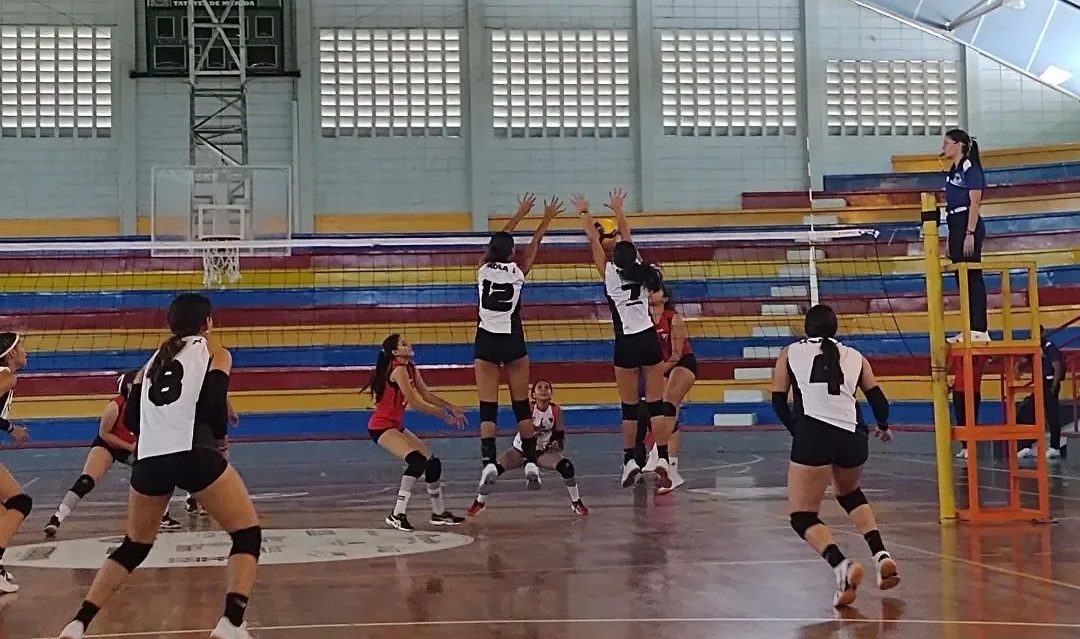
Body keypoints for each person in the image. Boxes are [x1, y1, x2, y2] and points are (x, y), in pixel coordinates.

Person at [59, 293, 261, 639]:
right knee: (246, 534)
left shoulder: (150, 362)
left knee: (134, 546)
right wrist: (221, 443)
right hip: (194, 452)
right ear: (207, 322)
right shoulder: (215, 351)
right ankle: (230, 622)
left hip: (150, 459)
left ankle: (78, 623)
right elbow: (213, 404)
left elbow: (134, 417)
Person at [771, 305, 900, 607]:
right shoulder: (856, 356)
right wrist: (883, 426)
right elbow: (878, 400)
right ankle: (881, 555)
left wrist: (798, 431)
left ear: (806, 328)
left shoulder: (789, 353)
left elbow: (778, 401)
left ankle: (842, 566)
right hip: (854, 435)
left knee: (802, 516)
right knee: (849, 493)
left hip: (814, 432)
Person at [575, 189, 677, 490]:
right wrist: (619, 210)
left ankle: (629, 460)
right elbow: (628, 238)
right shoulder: (645, 273)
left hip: (625, 343)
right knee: (656, 406)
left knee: (629, 408)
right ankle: (661, 456)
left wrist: (584, 212)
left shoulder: (609, 274)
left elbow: (594, 240)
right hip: (648, 340)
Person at [475, 194, 563, 492]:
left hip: (486, 340)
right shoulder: (517, 272)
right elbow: (532, 247)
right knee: (521, 409)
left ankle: (488, 461)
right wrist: (544, 219)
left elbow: (495, 244)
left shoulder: (483, 269)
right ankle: (530, 461)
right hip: (512, 340)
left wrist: (518, 213)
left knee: (488, 409)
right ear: (511, 253)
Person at [45, 371, 183, 537]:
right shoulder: (115, 406)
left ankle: (162, 517)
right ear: (128, 389)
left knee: (159, 472)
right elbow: (105, 434)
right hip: (109, 444)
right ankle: (57, 517)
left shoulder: (150, 405)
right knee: (86, 480)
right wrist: (129, 446)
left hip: (131, 446)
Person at [363, 334, 468, 532]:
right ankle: (397, 514)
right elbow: (414, 402)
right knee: (417, 461)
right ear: (395, 352)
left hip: (396, 425)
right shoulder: (398, 370)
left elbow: (426, 394)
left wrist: (452, 407)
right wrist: (443, 416)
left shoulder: (411, 367)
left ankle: (438, 513)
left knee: (433, 463)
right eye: (403, 344)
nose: (408, 345)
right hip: (381, 427)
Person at [466, 380, 588, 516]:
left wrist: (556, 443)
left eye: (546, 387)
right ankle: (479, 502)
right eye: (539, 387)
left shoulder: (555, 410)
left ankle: (576, 501)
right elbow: (523, 429)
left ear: (551, 393)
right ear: (533, 395)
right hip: (520, 449)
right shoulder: (529, 409)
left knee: (566, 467)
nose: (543, 389)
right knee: (492, 472)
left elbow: (560, 434)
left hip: (542, 451)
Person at [639, 284, 697, 493]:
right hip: (659, 368)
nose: (651, 294)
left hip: (683, 363)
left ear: (664, 298)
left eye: (655, 290)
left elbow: (676, 354)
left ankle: (657, 450)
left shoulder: (673, 318)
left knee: (669, 404)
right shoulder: (643, 320)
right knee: (664, 412)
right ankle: (672, 471)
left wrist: (658, 370)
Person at [941, 129, 988, 343]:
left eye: (946, 143)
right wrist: (951, 237)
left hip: (968, 224)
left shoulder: (971, 167)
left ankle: (980, 328)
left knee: (973, 277)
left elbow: (975, 202)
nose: (943, 147)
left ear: (958, 145)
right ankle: (969, 328)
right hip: (955, 224)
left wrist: (969, 232)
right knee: (962, 279)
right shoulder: (952, 170)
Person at [0, 332, 33, 594]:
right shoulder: (7, 376)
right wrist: (11, 428)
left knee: (3, 514)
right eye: (22, 346)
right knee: (21, 502)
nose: (26, 351)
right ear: (11, 353)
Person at [1018, 326, 1066, 460]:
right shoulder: (1034, 346)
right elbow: (1024, 360)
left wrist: (1054, 386)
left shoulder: (1050, 347)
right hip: (1039, 385)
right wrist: (1017, 367)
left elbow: (1057, 366)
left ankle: (1055, 447)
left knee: (1051, 415)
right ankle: (1026, 445)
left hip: (1050, 384)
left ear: (1042, 333)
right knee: (1029, 411)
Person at [950, 354, 987, 460]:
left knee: (971, 420)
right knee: (960, 419)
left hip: (973, 390)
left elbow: (992, 356)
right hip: (959, 389)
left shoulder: (980, 353)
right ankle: (965, 446)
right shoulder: (958, 352)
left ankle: (970, 446)